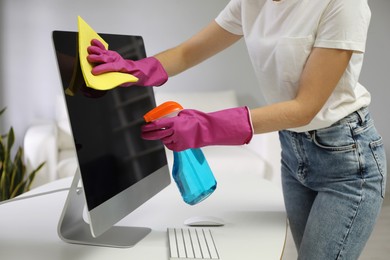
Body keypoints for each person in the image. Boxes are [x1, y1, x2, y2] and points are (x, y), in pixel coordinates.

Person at [87, 0, 387, 258]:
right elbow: (187, 53)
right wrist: (136, 68)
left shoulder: (343, 4)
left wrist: (205, 127)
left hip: (347, 162)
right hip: (294, 153)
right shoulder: (250, 2)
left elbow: (304, 107)